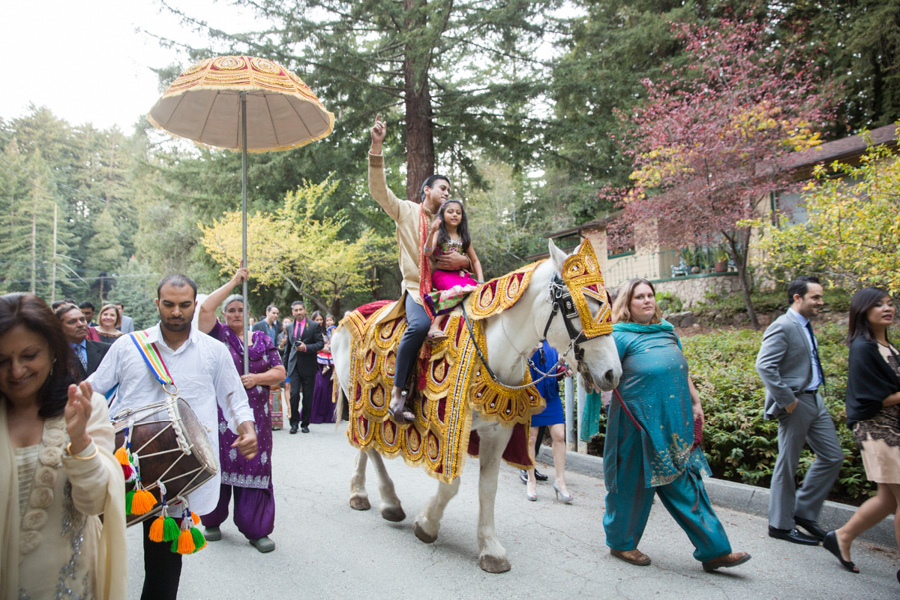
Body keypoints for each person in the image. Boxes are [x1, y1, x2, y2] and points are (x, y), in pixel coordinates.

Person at [88, 274, 257, 600]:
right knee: (100, 554)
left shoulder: (214, 351)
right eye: (169, 304)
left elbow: (235, 399)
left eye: (184, 305)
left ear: (195, 305)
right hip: (126, 468)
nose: (176, 312)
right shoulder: (128, 345)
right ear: (157, 304)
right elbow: (93, 390)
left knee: (163, 568)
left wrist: (247, 429)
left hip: (179, 474)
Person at [603, 278, 750, 572]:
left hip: (673, 421)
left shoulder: (667, 331)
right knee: (630, 487)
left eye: (650, 295)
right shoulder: (617, 336)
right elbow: (603, 378)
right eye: (639, 297)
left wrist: (695, 402)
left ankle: (715, 550)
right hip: (636, 425)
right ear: (627, 305)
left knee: (687, 485)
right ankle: (622, 544)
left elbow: (682, 370)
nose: (647, 301)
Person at [0, 293, 127, 600]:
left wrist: (81, 441)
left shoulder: (86, 407)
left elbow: (96, 503)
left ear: (54, 351)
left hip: (68, 586)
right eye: (2, 360)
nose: (16, 371)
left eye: (29, 356)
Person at [368, 114, 470, 423]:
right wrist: (376, 146)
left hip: (445, 287)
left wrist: (464, 261)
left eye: (449, 189)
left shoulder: (449, 224)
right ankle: (398, 396)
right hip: (416, 290)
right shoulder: (406, 212)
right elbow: (379, 191)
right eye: (441, 187)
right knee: (419, 328)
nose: (445, 192)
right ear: (426, 191)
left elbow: (463, 252)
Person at [196, 268, 285, 553]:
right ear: (224, 316)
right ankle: (211, 520)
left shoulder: (262, 339)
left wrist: (257, 378)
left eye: (240, 310)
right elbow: (205, 307)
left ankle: (256, 529)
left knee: (256, 465)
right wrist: (235, 282)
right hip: (222, 416)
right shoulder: (216, 335)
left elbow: (280, 371)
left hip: (257, 418)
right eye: (231, 310)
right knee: (220, 464)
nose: (235, 314)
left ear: (249, 314)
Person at [756, 275, 843, 545]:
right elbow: (764, 365)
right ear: (798, 298)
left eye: (820, 296)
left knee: (833, 456)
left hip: (814, 400)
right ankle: (780, 525)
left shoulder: (804, 325)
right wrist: (787, 400)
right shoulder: (783, 325)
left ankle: (803, 513)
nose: (821, 301)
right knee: (788, 463)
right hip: (796, 402)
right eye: (815, 297)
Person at [823, 288, 900, 575]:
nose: (887, 308)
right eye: (878, 304)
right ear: (863, 311)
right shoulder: (863, 347)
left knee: (887, 499)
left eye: (890, 303)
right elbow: (870, 399)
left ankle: (841, 536)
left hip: (893, 427)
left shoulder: (889, 348)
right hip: (877, 430)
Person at [423, 199, 484, 339]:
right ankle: (434, 326)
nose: (454, 215)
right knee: (458, 291)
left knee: (477, 290)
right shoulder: (439, 233)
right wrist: (432, 231)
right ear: (442, 215)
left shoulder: (464, 237)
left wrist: (481, 280)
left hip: (460, 275)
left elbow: (475, 260)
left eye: (458, 212)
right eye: (450, 212)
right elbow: (427, 252)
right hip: (442, 275)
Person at [522, 340, 573, 503]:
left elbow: (554, 370)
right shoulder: (527, 335)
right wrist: (530, 351)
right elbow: (517, 370)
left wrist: (563, 370)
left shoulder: (553, 340)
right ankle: (531, 481)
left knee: (559, 435)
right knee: (531, 438)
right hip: (531, 394)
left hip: (551, 395)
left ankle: (560, 482)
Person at [284, 301, 324, 434]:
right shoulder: (289, 327)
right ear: (292, 312)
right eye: (296, 310)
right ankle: (294, 423)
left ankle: (305, 423)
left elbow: (320, 344)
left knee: (307, 396)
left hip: (308, 365)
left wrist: (306, 348)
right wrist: (285, 367)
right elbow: (288, 349)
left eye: (300, 309)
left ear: (305, 310)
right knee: (294, 394)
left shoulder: (313, 325)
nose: (298, 312)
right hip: (293, 365)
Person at [55, 303, 111, 379]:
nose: (80, 324)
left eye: (82, 320)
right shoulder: (54, 354)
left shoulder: (106, 349)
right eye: (72, 322)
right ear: (59, 326)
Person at [310, 313, 337, 424]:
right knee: (320, 387)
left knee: (329, 387)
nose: (320, 322)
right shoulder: (310, 331)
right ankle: (316, 414)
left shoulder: (327, 331)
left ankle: (329, 415)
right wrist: (322, 349)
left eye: (321, 319)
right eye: (317, 319)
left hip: (329, 361)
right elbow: (309, 347)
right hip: (317, 362)